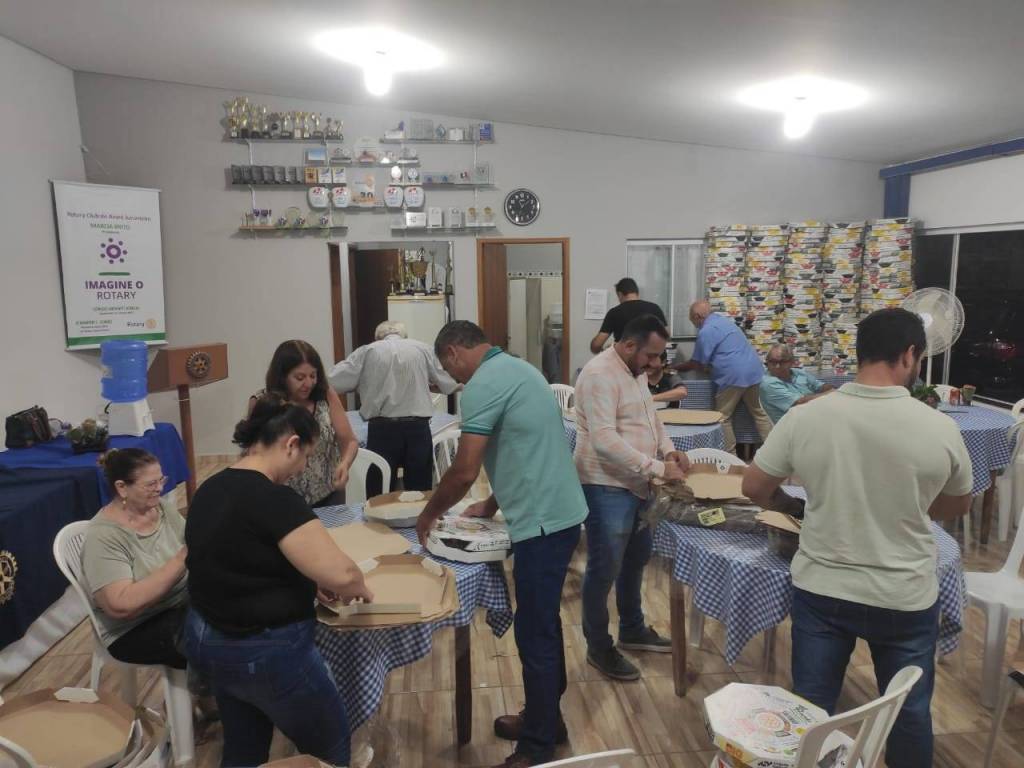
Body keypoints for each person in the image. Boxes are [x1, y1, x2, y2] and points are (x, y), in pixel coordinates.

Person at [741, 308, 973, 768]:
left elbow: (754, 488)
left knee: (811, 709)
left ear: (859, 353)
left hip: (823, 587)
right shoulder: (940, 427)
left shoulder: (807, 417)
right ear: (909, 354)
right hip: (903, 592)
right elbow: (956, 506)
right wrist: (907, 503)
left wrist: (793, 506)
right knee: (908, 714)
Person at [415, 321, 587, 768]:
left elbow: (463, 470)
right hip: (561, 512)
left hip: (542, 523)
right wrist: (493, 503)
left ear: (453, 353)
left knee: (535, 634)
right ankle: (547, 720)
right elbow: (525, 446)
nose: (453, 377)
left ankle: (536, 745)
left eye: (447, 367)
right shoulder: (519, 368)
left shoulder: (481, 385)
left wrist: (429, 514)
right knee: (543, 625)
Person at [184, 394, 373, 767]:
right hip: (264, 650)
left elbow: (242, 558)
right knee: (329, 744)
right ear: (291, 444)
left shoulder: (210, 489)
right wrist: (360, 589)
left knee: (244, 746)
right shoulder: (274, 499)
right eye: (305, 457)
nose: (302, 469)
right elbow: (344, 574)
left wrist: (306, 580)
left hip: (208, 640)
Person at [574, 315, 689, 681]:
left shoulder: (635, 370)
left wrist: (669, 450)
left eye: (659, 356)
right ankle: (598, 645)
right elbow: (604, 440)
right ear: (628, 345)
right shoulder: (599, 375)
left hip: (638, 484)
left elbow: (652, 419)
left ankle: (632, 628)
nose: (655, 364)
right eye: (651, 356)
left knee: (635, 560)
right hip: (606, 486)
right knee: (604, 569)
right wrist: (657, 467)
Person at [82, 448, 188, 669]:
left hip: (180, 604)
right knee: (222, 638)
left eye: (161, 480)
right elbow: (121, 605)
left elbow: (193, 540)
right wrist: (183, 558)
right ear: (122, 487)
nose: (160, 488)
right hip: (135, 630)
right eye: (151, 484)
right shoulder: (103, 536)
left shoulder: (159, 508)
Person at [329, 321, 459, 497]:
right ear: (404, 335)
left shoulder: (368, 351)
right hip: (418, 428)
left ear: (378, 337)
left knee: (379, 490)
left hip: (383, 429)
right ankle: (418, 514)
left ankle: (380, 513)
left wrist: (362, 383)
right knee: (420, 490)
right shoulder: (422, 349)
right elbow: (449, 383)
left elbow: (333, 381)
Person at [251, 339, 358, 507]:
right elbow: (254, 454)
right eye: (299, 377)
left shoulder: (325, 395)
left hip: (328, 494)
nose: (308, 383)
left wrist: (344, 464)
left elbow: (349, 440)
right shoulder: (264, 402)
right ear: (282, 377)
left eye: (313, 376)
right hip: (282, 499)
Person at [677, 300, 773, 453]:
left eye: (693, 321)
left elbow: (696, 364)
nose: (695, 325)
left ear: (697, 316)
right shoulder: (724, 321)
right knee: (759, 413)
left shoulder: (706, 331)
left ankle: (731, 456)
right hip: (754, 371)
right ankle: (774, 451)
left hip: (732, 376)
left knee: (722, 417)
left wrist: (673, 367)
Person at [759, 343, 835, 423]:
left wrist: (833, 389)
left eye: (782, 362)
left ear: (791, 362)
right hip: (791, 426)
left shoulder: (798, 372)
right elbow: (799, 403)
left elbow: (820, 386)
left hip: (812, 417)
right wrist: (831, 393)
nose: (777, 366)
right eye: (772, 362)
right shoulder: (768, 383)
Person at [589, 277, 668, 353]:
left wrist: (606, 351)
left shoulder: (614, 312)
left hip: (625, 359)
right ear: (637, 292)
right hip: (651, 358)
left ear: (620, 294)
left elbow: (596, 345)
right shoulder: (655, 308)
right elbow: (666, 335)